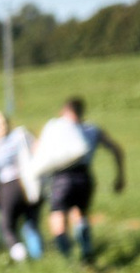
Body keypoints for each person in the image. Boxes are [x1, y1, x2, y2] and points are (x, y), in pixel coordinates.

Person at [35, 96, 126, 261]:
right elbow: (116, 150)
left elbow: (39, 149)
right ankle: (86, 250)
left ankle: (67, 260)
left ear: (65, 111)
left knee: (57, 216)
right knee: (80, 214)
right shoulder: (92, 129)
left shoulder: (57, 127)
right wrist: (120, 176)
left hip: (61, 177)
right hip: (85, 177)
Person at [0, 111, 42, 261]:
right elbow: (38, 149)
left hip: (8, 187)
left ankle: (22, 260)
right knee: (31, 224)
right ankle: (39, 258)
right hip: (29, 184)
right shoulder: (21, 135)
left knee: (7, 226)